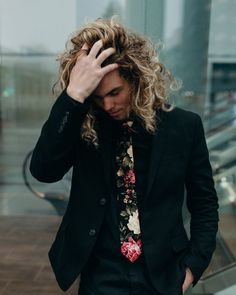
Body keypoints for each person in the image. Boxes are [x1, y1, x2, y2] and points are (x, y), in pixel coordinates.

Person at [30, 17, 219, 295]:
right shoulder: (85, 125)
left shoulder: (184, 126)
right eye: (96, 97)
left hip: (164, 274)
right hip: (101, 273)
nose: (107, 105)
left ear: (135, 78)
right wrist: (74, 96)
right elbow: (43, 171)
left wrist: (193, 266)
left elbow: (204, 202)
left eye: (115, 93)